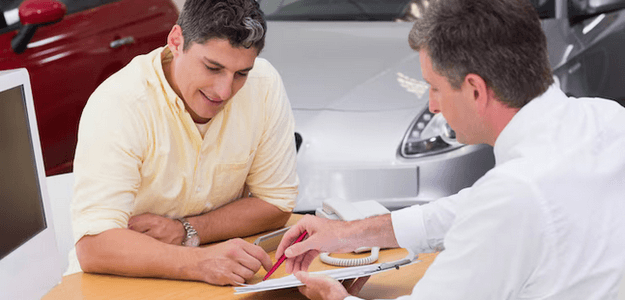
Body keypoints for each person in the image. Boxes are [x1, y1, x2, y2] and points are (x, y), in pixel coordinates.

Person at [275, 0, 625, 299]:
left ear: (475, 89)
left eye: (435, 88)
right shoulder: (608, 119)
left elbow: (500, 207)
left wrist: (335, 296)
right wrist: (348, 234)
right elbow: (473, 207)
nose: (432, 105)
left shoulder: (513, 196)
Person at [67, 0, 299, 286]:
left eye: (241, 73)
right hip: (119, 282)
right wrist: (200, 262)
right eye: (213, 67)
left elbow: (275, 203)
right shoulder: (120, 103)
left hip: (221, 278)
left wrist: (186, 230)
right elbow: (94, 246)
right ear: (176, 41)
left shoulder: (263, 84)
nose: (225, 91)